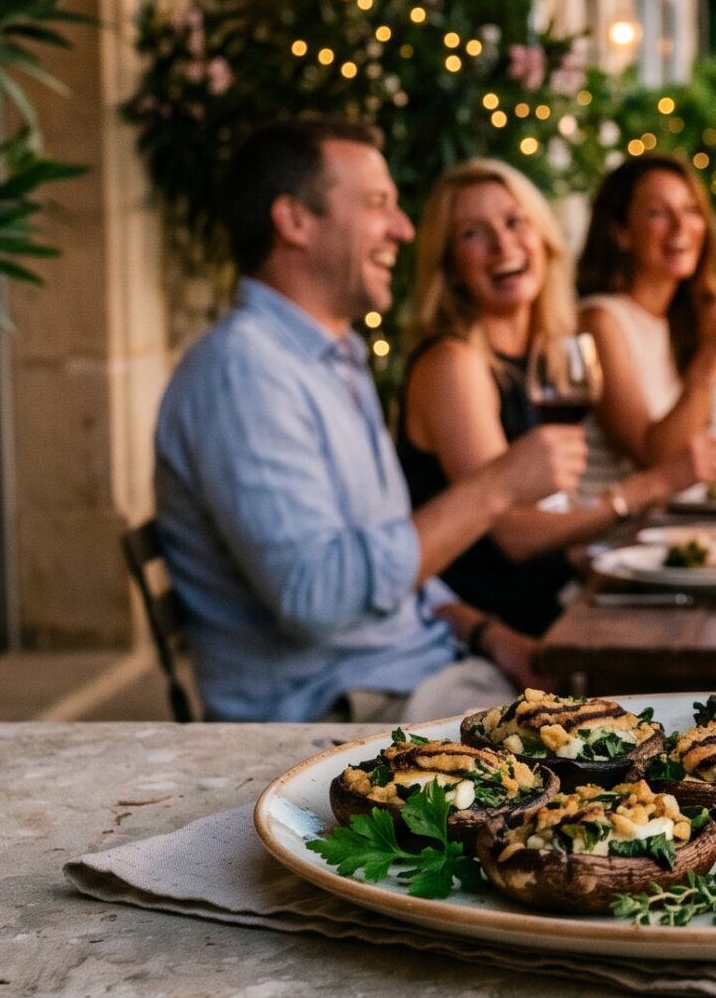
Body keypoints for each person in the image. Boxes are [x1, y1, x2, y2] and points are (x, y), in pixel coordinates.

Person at [153, 119, 585, 723]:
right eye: (380, 204)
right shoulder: (246, 372)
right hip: (347, 710)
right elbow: (317, 597)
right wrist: (496, 489)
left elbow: (392, 562)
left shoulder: (334, 360)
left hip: (427, 669)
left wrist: (489, 635)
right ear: (294, 221)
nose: (404, 229)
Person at [395, 160, 716, 671]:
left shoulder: (546, 355)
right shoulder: (453, 363)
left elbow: (554, 514)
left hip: (558, 601)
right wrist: (654, 485)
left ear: (542, 238)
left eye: (515, 223)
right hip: (496, 635)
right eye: (473, 233)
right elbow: (512, 535)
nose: (503, 246)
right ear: (449, 265)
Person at [574, 154, 716, 491]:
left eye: (690, 210)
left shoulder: (679, 318)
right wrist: (714, 356)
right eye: (657, 212)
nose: (680, 226)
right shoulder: (599, 321)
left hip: (670, 521)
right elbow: (657, 457)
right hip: (614, 536)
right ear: (620, 233)